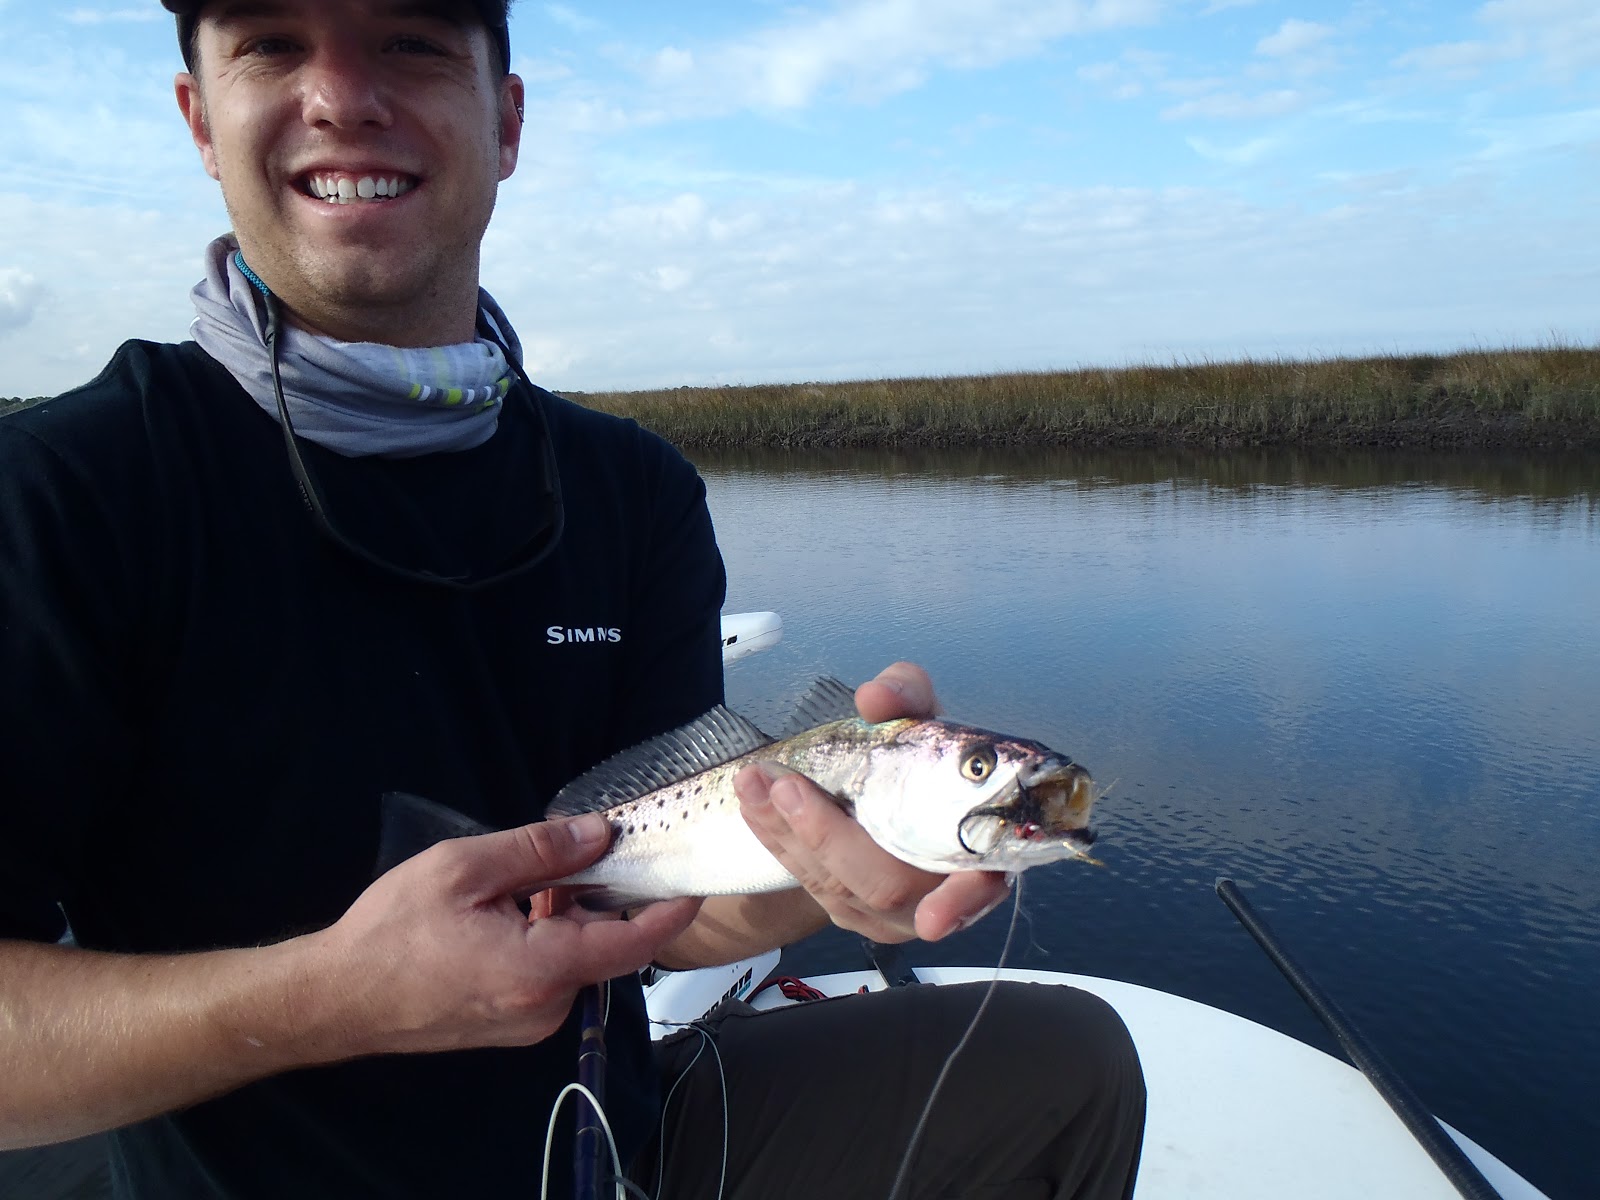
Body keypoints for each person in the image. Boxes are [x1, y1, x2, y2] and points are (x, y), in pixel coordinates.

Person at [0, 2, 1145, 1197]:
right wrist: (326, 1000)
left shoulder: (631, 489)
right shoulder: (59, 496)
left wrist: (825, 878)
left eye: (411, 40)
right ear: (200, 119)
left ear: (506, 121)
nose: (339, 98)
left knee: (1069, 1066)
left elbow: (670, 912)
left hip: (620, 1146)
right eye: (274, 44)